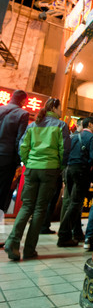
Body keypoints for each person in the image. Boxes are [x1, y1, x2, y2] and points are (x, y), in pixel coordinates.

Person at [4, 98, 71, 260]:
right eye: (60, 108)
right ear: (54, 108)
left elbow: (23, 146)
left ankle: (12, 242)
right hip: (49, 169)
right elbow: (65, 149)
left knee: (26, 206)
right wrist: (60, 167)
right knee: (40, 209)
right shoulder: (61, 125)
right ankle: (29, 250)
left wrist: (28, 162)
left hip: (32, 168)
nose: (61, 111)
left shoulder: (33, 125)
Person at [57, 116, 93, 247]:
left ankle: (75, 233)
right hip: (81, 170)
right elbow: (92, 158)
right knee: (76, 203)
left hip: (69, 170)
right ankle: (63, 235)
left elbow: (65, 153)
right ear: (90, 124)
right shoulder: (91, 138)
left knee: (72, 203)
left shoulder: (74, 136)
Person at [0, 90, 29, 221]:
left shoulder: (1, 109)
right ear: (23, 101)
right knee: (2, 192)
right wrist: (19, 161)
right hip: (7, 158)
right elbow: (20, 139)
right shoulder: (23, 114)